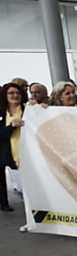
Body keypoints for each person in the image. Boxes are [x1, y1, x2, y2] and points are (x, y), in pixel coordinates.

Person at [0, 83, 24, 211]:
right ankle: (3, 203)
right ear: (5, 95)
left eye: (17, 92)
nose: (15, 95)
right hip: (6, 151)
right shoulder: (1, 113)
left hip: (26, 151)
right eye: (11, 93)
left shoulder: (28, 109)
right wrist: (11, 127)